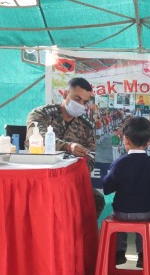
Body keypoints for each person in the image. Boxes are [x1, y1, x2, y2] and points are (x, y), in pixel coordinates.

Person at [26, 77, 105, 216]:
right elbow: (36, 138)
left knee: (96, 200)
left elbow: (90, 158)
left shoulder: (86, 126)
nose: (81, 104)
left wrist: (72, 177)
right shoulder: (41, 114)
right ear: (65, 94)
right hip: (40, 178)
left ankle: (79, 230)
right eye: (77, 99)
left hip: (69, 179)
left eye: (85, 102)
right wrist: (68, 147)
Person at [102, 117, 150, 269]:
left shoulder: (119, 163)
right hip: (145, 212)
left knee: (118, 224)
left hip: (121, 212)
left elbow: (107, 188)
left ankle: (119, 252)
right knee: (144, 223)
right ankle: (143, 255)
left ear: (125, 139)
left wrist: (108, 175)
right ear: (149, 141)